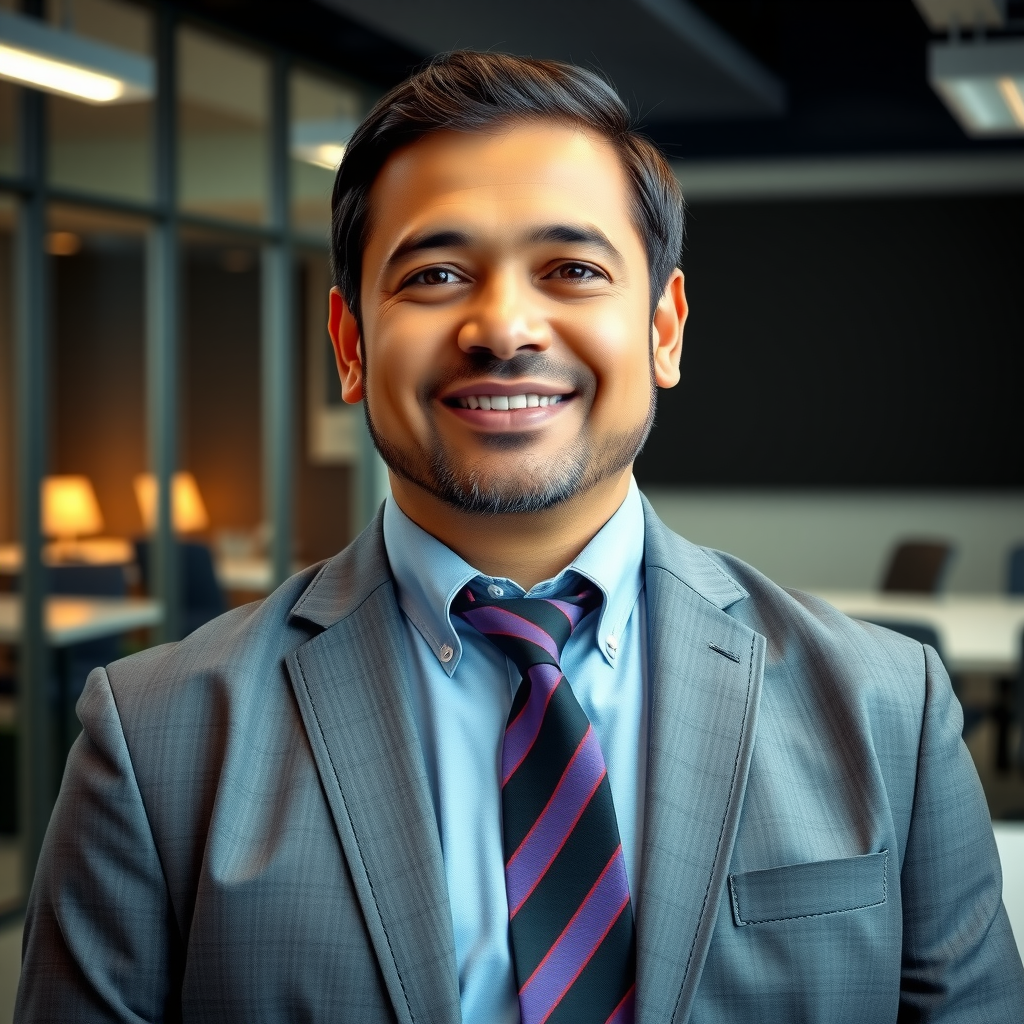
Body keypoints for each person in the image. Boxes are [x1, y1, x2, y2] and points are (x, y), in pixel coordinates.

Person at [16, 51, 1024, 1024]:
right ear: (350, 345)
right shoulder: (152, 741)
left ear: (664, 330)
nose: (503, 326)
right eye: (435, 275)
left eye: (572, 268)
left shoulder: (889, 709)